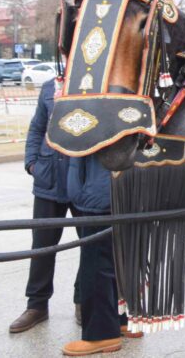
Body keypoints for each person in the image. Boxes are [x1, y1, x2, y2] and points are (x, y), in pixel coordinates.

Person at [8, 78, 81, 333]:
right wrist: (32, 163)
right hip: (49, 178)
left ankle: (83, 300)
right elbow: (37, 128)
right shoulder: (50, 86)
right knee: (42, 247)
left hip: (84, 180)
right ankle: (36, 305)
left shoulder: (96, 82)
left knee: (91, 244)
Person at [61, 145, 142, 355]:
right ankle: (122, 320)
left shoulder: (100, 110)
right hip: (121, 187)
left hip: (100, 191)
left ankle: (101, 334)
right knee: (117, 261)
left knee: (95, 266)